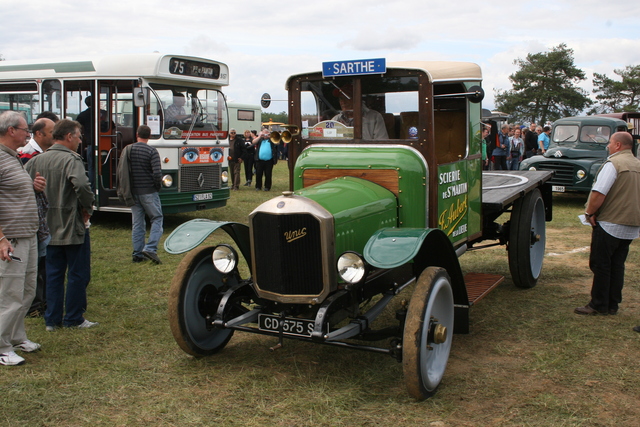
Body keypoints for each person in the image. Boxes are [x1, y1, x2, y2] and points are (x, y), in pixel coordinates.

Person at [25, 119, 97, 330]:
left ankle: (52, 320)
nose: (79, 141)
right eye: (78, 136)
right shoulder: (71, 160)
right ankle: (74, 318)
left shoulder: (37, 161)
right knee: (78, 273)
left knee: (53, 274)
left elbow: (24, 185)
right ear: (69, 137)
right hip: (72, 226)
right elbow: (82, 185)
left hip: (46, 228)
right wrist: (88, 208)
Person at [574, 132, 640, 317]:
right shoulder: (637, 164)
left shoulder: (614, 164)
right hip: (631, 224)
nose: (608, 146)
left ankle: (598, 304)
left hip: (611, 221)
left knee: (601, 264)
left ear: (618, 145)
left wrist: (590, 213)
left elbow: (599, 193)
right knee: (617, 264)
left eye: (610, 143)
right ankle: (612, 304)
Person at [0, 111, 46, 366]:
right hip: (12, 238)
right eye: (25, 129)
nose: (28, 133)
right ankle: (1, 346)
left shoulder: (13, 157)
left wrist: (32, 185)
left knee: (27, 291)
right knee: (10, 294)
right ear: (11, 131)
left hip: (27, 234)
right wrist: (1, 239)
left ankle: (16, 337)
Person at [18, 117, 55, 317]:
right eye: (51, 132)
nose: (54, 136)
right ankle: (34, 305)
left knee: (42, 263)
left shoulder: (40, 153)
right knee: (38, 265)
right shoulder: (27, 155)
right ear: (40, 134)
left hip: (40, 218)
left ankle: (40, 302)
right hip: (30, 220)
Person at [123, 125, 163, 264]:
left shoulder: (128, 150)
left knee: (137, 223)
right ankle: (151, 248)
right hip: (149, 191)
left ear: (137, 134)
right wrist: (157, 186)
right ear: (150, 136)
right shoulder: (152, 151)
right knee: (157, 218)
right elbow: (157, 173)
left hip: (133, 191)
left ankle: (137, 253)